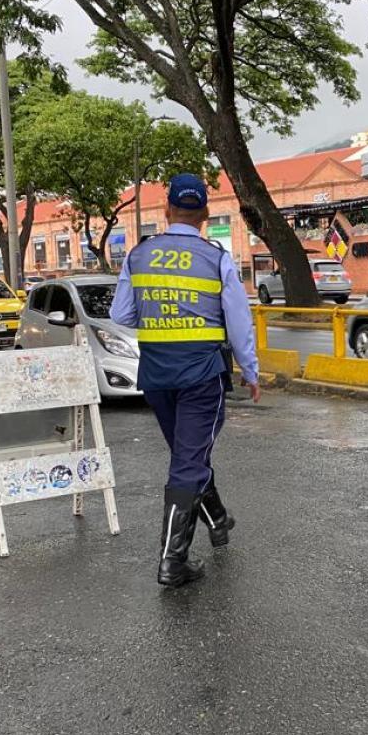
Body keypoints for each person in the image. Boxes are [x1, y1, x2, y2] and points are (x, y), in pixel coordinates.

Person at [110, 173, 261, 588]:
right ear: (206, 215)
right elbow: (238, 322)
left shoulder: (139, 255)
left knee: (186, 454)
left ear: (166, 211)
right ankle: (172, 562)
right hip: (201, 375)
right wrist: (250, 370)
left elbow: (121, 315)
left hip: (157, 375)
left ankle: (218, 520)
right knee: (189, 460)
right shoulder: (216, 259)